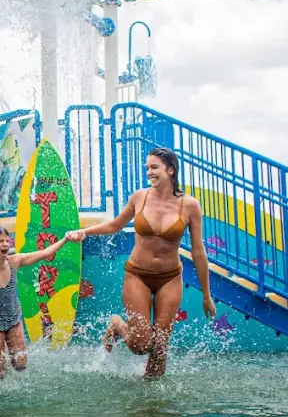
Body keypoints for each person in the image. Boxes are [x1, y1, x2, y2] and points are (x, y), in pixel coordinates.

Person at [65, 147, 215, 379]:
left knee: (160, 346)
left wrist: (206, 295)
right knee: (140, 344)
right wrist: (84, 232)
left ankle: (151, 400)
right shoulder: (140, 197)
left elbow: (198, 251)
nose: (149, 172)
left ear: (171, 170)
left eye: (154, 167)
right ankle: (117, 324)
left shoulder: (190, 205)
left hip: (170, 277)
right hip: (137, 275)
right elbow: (115, 225)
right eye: (147, 168)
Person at [0, 225, 70, 379]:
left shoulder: (14, 261)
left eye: (7, 240)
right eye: (0, 241)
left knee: (21, 364)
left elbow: (45, 253)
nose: (5, 244)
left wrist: (65, 239)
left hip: (13, 319)